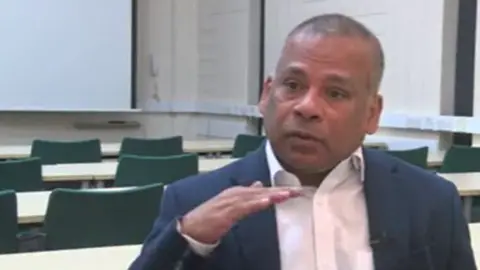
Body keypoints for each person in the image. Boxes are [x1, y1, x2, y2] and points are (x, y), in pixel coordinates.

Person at [129, 13, 476, 270]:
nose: (307, 107)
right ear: (267, 94)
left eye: (335, 93)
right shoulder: (193, 201)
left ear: (372, 113)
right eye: (292, 85)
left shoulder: (431, 202)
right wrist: (188, 236)